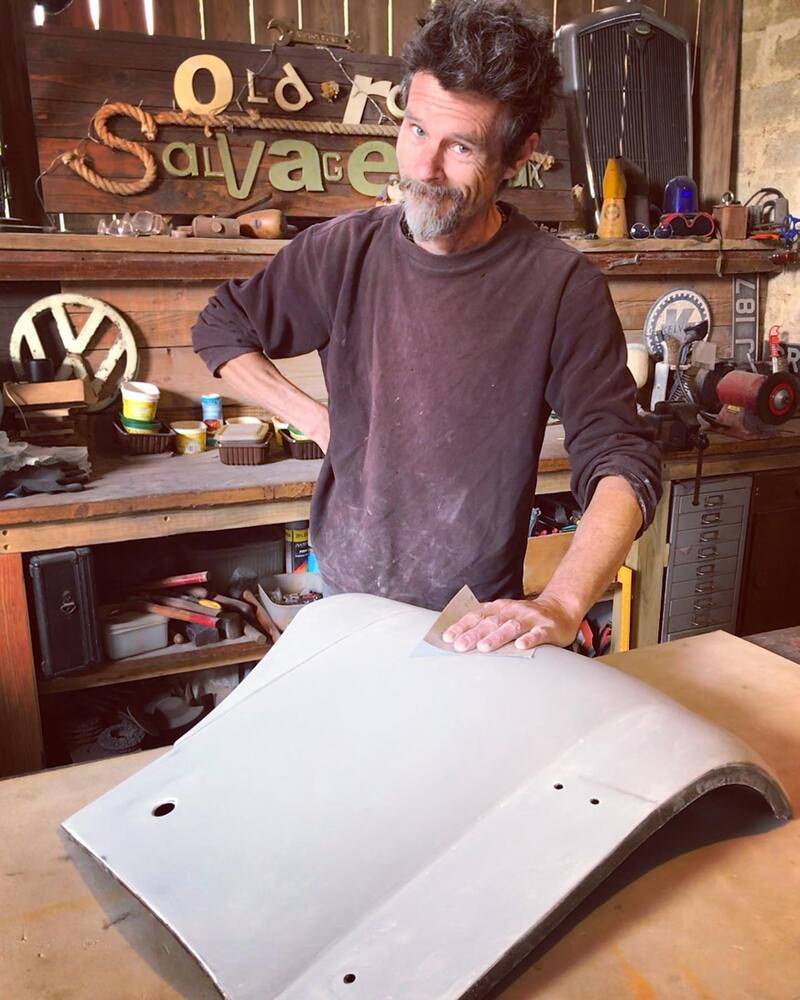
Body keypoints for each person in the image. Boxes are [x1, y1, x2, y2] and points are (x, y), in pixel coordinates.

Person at [192, 0, 661, 655]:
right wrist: (318, 419)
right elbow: (222, 326)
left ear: (518, 155)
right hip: (345, 598)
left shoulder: (558, 287)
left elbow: (623, 460)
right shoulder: (344, 251)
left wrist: (560, 602)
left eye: (460, 146)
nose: (422, 168)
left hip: (471, 621)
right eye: (414, 130)